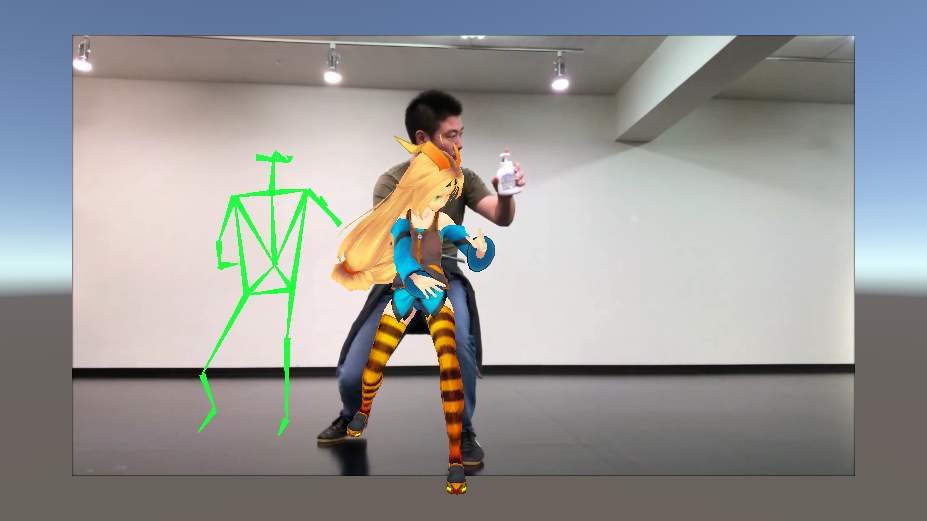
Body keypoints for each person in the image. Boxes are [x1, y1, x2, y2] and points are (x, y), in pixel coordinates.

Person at [316, 90, 527, 468]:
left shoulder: (465, 178)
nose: (460, 143)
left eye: (461, 133)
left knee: (460, 347)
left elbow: (501, 216)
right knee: (353, 373)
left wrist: (506, 195)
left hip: (445, 275)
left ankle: (464, 430)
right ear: (422, 138)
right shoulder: (390, 182)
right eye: (452, 135)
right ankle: (351, 415)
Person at [330, 135, 495, 494]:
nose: (443, 199)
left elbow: (474, 255)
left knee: (452, 360)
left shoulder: (445, 222)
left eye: (446, 192)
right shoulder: (402, 223)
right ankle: (357, 412)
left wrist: (482, 248)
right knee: (368, 365)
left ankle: (459, 447)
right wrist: (412, 274)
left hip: (438, 293)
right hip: (403, 293)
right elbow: (401, 255)